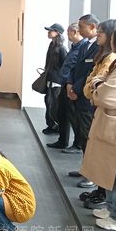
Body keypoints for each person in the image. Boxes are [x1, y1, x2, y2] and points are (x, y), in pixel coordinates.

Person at [80, 25, 116, 230]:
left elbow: (105, 95)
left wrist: (97, 84)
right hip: (111, 123)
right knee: (109, 169)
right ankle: (111, 208)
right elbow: (98, 81)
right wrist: (99, 83)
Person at [66, 14, 99, 188]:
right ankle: (85, 169)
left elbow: (91, 74)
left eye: (81, 26)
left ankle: (91, 175)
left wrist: (75, 89)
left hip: (86, 99)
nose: (78, 29)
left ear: (92, 26)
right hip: (78, 94)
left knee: (88, 137)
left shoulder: (100, 48)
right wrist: (69, 84)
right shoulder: (85, 45)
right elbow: (75, 68)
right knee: (81, 134)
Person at [47, 23, 85, 151]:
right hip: (64, 85)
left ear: (75, 32)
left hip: (71, 87)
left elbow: (77, 69)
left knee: (73, 117)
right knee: (61, 113)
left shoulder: (82, 47)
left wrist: (72, 85)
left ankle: (78, 144)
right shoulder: (74, 47)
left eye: (68, 32)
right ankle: (62, 141)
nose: (67, 35)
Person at [41, 23, 68, 135]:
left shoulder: (61, 49)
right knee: (48, 102)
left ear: (57, 33)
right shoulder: (51, 46)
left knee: (54, 105)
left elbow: (65, 66)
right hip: (50, 79)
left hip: (57, 82)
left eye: (51, 30)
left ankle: (55, 127)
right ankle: (50, 125)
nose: (48, 32)